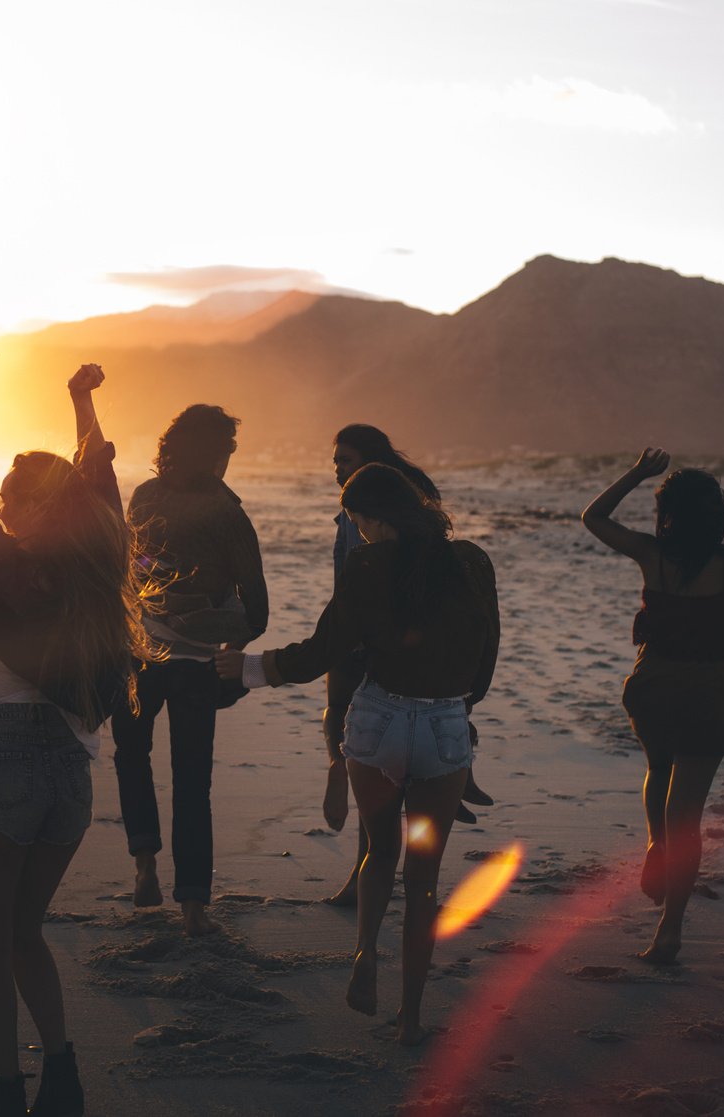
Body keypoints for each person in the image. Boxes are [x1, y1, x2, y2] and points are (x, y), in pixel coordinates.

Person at [0, 345, 145, 1117]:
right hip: (73, 778)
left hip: (6, 762)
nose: (2, 509)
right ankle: (63, 1073)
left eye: (12, 498)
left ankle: (7, 1093)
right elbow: (99, 484)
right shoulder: (97, 566)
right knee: (26, 931)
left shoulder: (9, 574)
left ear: (31, 509)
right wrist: (80, 400)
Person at [216, 463, 498, 1044]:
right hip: (445, 726)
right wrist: (459, 710)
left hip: (380, 725)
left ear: (372, 518)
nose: (357, 532)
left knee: (378, 850)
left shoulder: (366, 563)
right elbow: (486, 651)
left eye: (355, 521)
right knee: (424, 879)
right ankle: (411, 1018)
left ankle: (366, 955)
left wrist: (251, 668)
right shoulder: (471, 562)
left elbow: (326, 648)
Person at [582, 448, 724, 963]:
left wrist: (638, 472)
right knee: (689, 818)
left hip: (653, 682)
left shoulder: (652, 555)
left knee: (659, 767)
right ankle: (670, 930)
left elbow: (593, 517)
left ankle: (654, 846)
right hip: (707, 691)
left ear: (668, 515)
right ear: (719, 517)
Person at [321, 426, 490, 908]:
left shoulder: (371, 513)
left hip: (372, 637)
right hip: (384, 636)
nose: (336, 468)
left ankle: (365, 870)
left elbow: (363, 577)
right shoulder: (398, 503)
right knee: (391, 743)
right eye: (335, 460)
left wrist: (261, 667)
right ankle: (454, 774)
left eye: (345, 459)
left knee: (366, 751)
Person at [115, 404, 268, 937]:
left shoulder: (144, 496)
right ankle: (194, 905)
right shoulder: (228, 513)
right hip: (198, 668)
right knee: (191, 783)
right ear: (211, 451)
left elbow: (132, 572)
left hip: (140, 656)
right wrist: (231, 643)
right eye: (226, 449)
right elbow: (259, 608)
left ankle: (144, 864)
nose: (229, 459)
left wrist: (158, 613)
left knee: (131, 754)